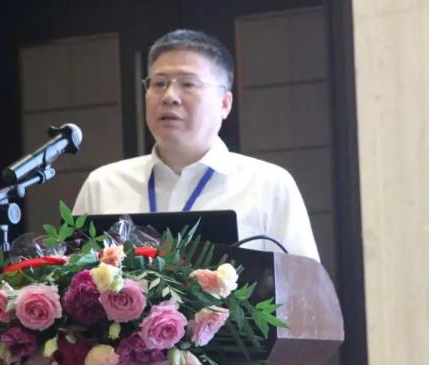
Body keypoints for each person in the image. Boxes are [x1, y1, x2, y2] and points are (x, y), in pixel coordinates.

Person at [73, 29, 319, 261]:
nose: (169, 96)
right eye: (159, 83)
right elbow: (69, 280)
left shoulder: (268, 185)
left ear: (224, 104)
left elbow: (303, 287)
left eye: (188, 84)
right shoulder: (103, 186)